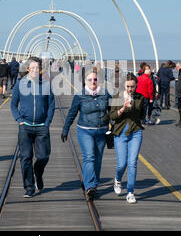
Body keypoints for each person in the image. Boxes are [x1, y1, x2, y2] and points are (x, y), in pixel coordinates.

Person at [61, 68, 112, 201]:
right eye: (90, 79)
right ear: (85, 81)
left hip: (102, 131)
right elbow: (72, 113)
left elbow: (113, 111)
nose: (93, 81)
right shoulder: (80, 96)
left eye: (95, 79)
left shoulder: (105, 94)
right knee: (89, 157)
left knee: (98, 159)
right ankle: (90, 186)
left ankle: (91, 182)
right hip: (85, 131)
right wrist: (65, 129)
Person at [11, 57, 55, 198]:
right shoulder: (20, 84)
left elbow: (51, 105)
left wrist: (47, 122)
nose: (36, 70)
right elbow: (13, 104)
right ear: (28, 69)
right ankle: (29, 187)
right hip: (25, 126)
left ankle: (38, 173)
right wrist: (19, 119)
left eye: (38, 68)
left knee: (43, 156)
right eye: (33, 68)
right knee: (25, 157)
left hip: (42, 126)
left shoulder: (46, 85)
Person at [110, 73, 145, 204]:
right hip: (120, 133)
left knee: (132, 163)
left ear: (136, 86)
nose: (130, 89)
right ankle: (117, 180)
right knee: (122, 163)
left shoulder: (140, 98)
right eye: (128, 86)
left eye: (133, 87)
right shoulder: (117, 96)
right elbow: (112, 116)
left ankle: (130, 192)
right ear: (124, 85)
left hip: (135, 132)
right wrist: (122, 109)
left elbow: (141, 114)